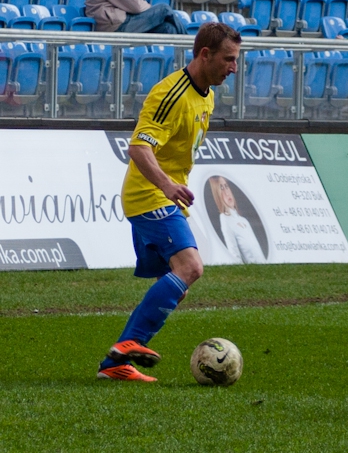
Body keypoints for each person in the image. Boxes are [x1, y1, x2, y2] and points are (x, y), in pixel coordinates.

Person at [97, 22, 242, 382]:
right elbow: (138, 147)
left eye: (236, 60)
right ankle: (129, 345)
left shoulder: (207, 93)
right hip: (150, 195)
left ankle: (116, 363)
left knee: (176, 286)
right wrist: (166, 185)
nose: (233, 68)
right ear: (204, 54)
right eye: (228, 59)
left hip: (165, 197)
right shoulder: (170, 94)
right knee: (191, 267)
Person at [209, 176, 267, 264]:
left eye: (226, 186)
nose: (227, 192)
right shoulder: (224, 218)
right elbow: (233, 251)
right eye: (221, 188)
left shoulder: (244, 220)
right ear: (218, 193)